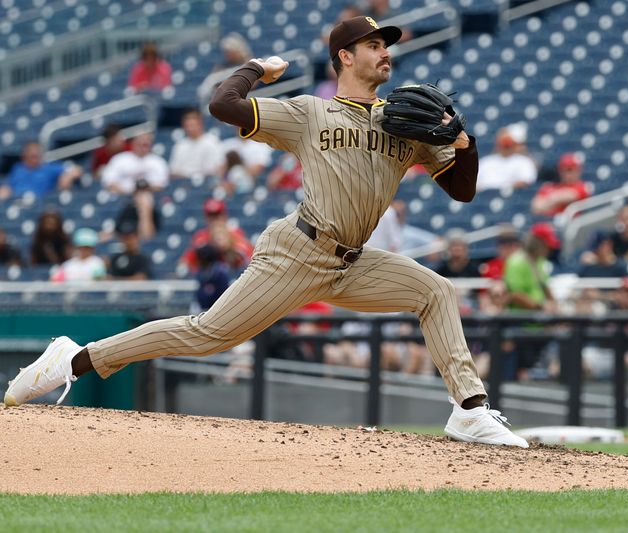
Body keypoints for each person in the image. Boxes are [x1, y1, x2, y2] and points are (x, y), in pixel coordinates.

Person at [4, 16, 527, 447]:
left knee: (435, 290)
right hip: (299, 251)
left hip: (354, 262)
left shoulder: (403, 123)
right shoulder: (311, 112)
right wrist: (255, 68)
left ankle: (469, 409)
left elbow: (462, 191)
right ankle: (75, 358)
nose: (385, 53)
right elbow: (221, 105)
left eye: (386, 45)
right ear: (345, 56)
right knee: (208, 334)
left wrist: (464, 140)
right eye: (373, 44)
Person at [179, 198, 254, 273]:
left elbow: (251, 260)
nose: (214, 219)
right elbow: (185, 263)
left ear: (224, 216)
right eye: (211, 216)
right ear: (206, 218)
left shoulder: (236, 234)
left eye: (217, 215)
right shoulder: (200, 237)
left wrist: (230, 247)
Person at [0, 141, 82, 200]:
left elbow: (76, 169)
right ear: (24, 156)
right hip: (17, 201)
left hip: (40, 203)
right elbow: (8, 186)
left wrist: (67, 176)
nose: (35, 159)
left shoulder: (48, 168)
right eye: (32, 156)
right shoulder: (18, 168)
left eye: (37, 156)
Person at [475, 124, 537, 192]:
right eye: (503, 143)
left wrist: (504, 189)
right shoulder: (485, 162)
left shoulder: (524, 161)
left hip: (512, 196)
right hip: (485, 196)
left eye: (507, 144)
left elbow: (526, 181)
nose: (505, 147)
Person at [101, 133, 169, 194]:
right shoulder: (119, 159)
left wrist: (144, 188)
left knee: (144, 197)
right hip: (122, 196)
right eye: (140, 144)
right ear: (133, 144)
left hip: (151, 195)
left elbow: (162, 184)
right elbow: (109, 181)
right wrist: (128, 192)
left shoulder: (158, 161)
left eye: (145, 145)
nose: (142, 148)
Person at [169, 108, 224, 180]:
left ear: (200, 124)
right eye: (187, 126)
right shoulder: (180, 145)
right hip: (184, 182)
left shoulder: (212, 141)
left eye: (192, 125)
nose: (190, 129)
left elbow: (217, 168)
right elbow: (173, 171)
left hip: (206, 182)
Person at [531, 152, 592, 217]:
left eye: (570, 169)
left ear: (578, 171)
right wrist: (556, 201)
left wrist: (549, 201)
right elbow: (535, 207)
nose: (566, 173)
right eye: (563, 169)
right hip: (551, 223)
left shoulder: (583, 187)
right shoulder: (549, 186)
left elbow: (570, 196)